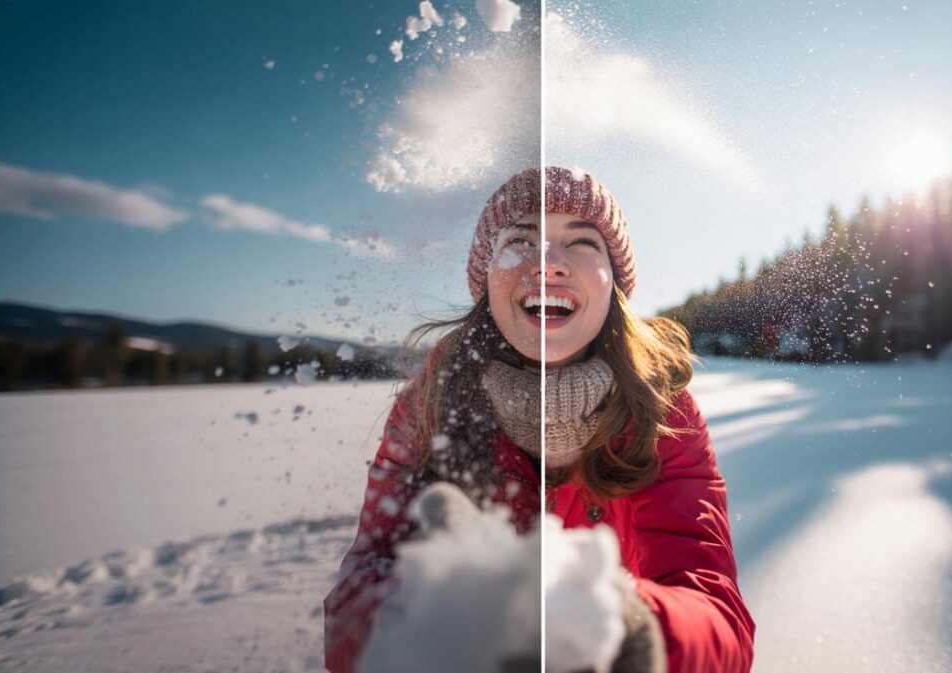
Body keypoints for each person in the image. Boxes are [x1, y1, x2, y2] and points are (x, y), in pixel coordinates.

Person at [323, 166, 754, 673]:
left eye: (581, 243)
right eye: (522, 240)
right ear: (486, 281)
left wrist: (632, 624)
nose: (548, 265)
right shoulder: (430, 405)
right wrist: (429, 613)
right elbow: (352, 601)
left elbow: (719, 616)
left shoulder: (664, 416)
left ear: (613, 282)